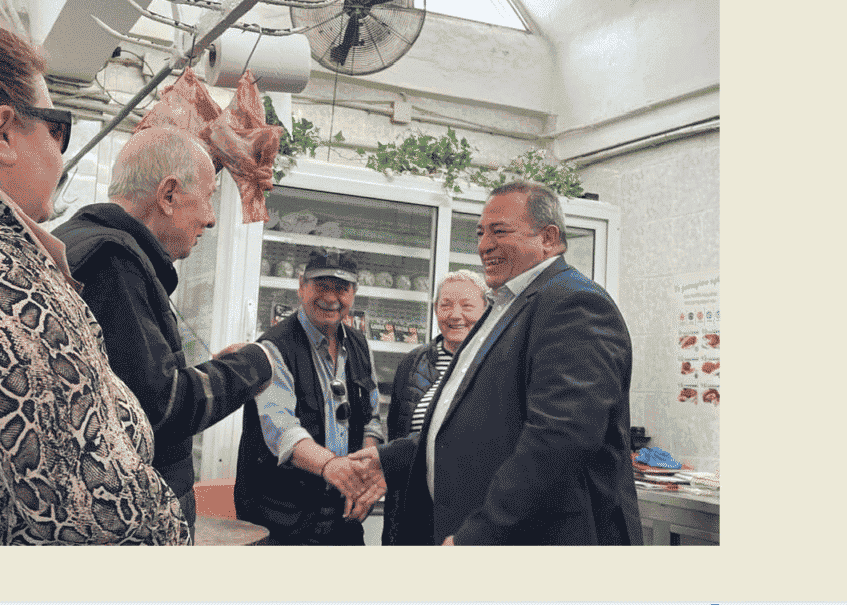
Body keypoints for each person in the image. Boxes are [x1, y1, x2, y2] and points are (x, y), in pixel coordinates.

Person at [0, 17, 187, 545]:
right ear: (3, 133)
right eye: (57, 127)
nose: (60, 152)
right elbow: (100, 511)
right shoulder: (3, 281)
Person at [352, 180, 643, 545]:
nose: (484, 245)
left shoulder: (573, 304)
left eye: (499, 231)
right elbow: (482, 425)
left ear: (548, 238)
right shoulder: (505, 306)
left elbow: (559, 442)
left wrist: (482, 534)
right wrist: (391, 459)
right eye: (480, 233)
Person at [52, 125, 275, 542]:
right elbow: (161, 406)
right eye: (208, 197)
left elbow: (132, 389)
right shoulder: (113, 265)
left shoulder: (76, 243)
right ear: (168, 195)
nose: (211, 218)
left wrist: (214, 371)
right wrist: (251, 366)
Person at [234, 248, 385, 545]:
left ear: (354, 294)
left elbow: (371, 420)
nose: (330, 297)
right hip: (282, 518)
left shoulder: (359, 345)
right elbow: (283, 432)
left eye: (341, 288)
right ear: (301, 286)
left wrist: (364, 474)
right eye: (321, 286)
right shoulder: (274, 346)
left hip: (343, 516)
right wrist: (333, 467)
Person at [382, 269, 488, 545]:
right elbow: (396, 437)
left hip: (469, 516)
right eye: (446, 305)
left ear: (486, 311)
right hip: (413, 514)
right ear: (435, 309)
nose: (455, 315)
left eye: (467, 306)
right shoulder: (412, 363)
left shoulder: (495, 364)